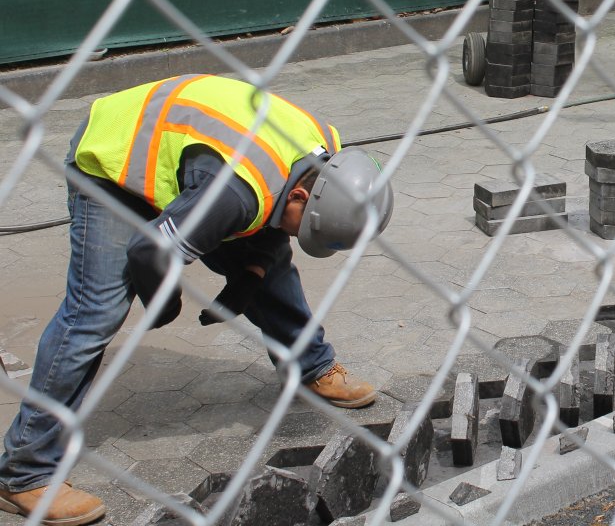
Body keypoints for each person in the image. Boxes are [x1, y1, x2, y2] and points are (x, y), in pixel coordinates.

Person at [0, 74, 394, 525]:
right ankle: (24, 473)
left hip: (201, 168)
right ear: (304, 194)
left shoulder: (323, 148)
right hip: (113, 162)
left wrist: (254, 271)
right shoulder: (234, 192)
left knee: (275, 266)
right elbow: (149, 251)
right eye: (302, 225)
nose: (295, 235)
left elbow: (275, 217)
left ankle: (311, 366)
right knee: (94, 313)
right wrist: (163, 303)